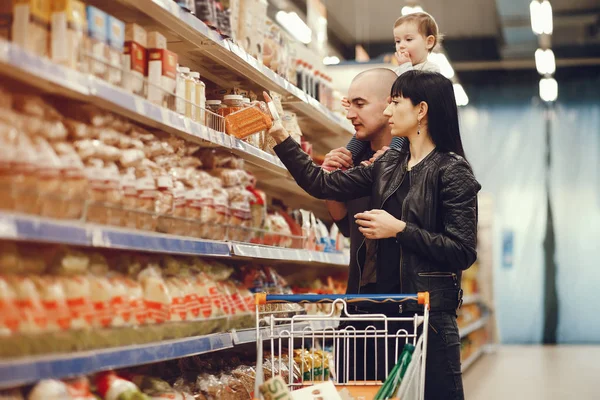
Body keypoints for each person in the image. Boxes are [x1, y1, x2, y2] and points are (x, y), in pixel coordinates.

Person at [265, 70, 480, 399]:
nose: (389, 111)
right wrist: (280, 134)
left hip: (424, 318)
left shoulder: (452, 170)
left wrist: (400, 230)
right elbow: (321, 184)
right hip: (371, 313)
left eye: (395, 103)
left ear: (421, 110)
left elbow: (462, 251)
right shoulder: (388, 165)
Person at [322, 68, 399, 295]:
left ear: (389, 105)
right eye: (349, 104)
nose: (349, 114)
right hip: (357, 300)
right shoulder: (353, 159)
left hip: (402, 305)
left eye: (360, 104)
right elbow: (348, 228)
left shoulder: (411, 162)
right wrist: (330, 180)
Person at [344, 12, 442, 163]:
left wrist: (406, 67)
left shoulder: (431, 72)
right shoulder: (396, 72)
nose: (401, 45)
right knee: (364, 132)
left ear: (429, 42)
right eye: (397, 41)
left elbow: (413, 91)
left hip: (414, 128)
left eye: (408, 39)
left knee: (400, 130)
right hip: (397, 125)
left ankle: (393, 156)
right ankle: (347, 156)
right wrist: (354, 103)